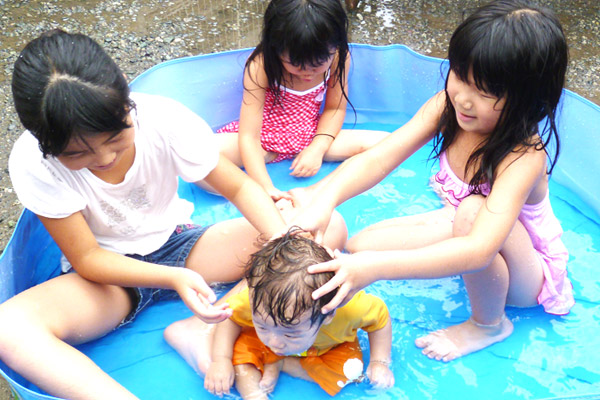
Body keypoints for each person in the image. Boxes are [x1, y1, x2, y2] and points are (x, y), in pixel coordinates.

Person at [0, 29, 347, 399]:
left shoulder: (162, 120)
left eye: (115, 138)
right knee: (9, 328)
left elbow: (239, 188)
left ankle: (208, 327)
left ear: (125, 99)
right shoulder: (34, 161)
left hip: (181, 244)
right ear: (42, 140)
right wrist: (173, 278)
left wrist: (282, 246)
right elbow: (87, 257)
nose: (104, 158)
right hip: (108, 279)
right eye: (77, 154)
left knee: (320, 225)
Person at [290, 0, 575, 363]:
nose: (464, 99)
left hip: (527, 274)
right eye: (461, 77)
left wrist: (373, 271)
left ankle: (488, 324)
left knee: (468, 214)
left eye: (485, 91)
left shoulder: (522, 157)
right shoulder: (447, 107)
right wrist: (324, 200)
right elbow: (379, 158)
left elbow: (479, 250)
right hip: (467, 222)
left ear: (529, 99)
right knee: (360, 247)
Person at [215, 0, 389, 201]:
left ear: (335, 46)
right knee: (205, 158)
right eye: (296, 64)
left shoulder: (338, 56)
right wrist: (265, 187)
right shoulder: (261, 65)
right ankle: (266, 166)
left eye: (318, 64)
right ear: (276, 48)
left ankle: (318, 190)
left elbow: (335, 109)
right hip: (264, 140)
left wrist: (317, 148)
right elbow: (249, 136)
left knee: (387, 145)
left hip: (310, 134)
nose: (307, 73)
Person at [203, 229, 394, 398]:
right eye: (262, 326)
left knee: (351, 371)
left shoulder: (349, 308)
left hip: (329, 347)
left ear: (328, 315)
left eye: (290, 334)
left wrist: (379, 361)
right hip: (268, 345)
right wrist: (221, 360)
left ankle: (281, 364)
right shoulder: (257, 301)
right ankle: (254, 396)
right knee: (239, 352)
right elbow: (229, 318)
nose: (274, 342)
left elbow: (381, 319)